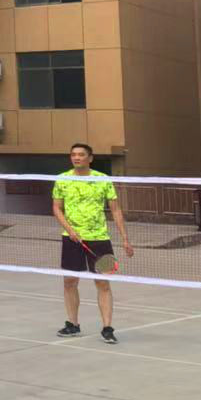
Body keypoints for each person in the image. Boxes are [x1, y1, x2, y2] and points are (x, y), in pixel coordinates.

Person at [53, 142, 134, 343]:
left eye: (81, 154)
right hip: (71, 239)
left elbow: (115, 210)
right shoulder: (62, 179)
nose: (76, 157)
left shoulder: (103, 179)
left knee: (103, 282)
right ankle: (73, 324)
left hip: (100, 239)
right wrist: (70, 230)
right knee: (69, 282)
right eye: (73, 154)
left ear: (90, 158)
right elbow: (56, 208)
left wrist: (125, 238)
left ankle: (107, 328)